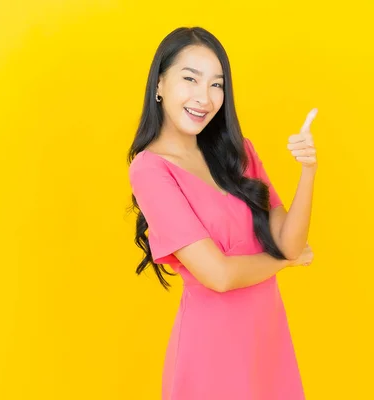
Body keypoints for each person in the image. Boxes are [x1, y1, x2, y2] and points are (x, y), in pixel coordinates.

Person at [126, 27, 318, 400]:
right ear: (159, 84)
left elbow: (288, 240)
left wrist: (308, 171)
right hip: (210, 352)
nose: (205, 97)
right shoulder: (150, 169)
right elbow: (218, 275)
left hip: (268, 341)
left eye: (217, 85)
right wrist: (285, 263)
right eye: (190, 79)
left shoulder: (238, 152)